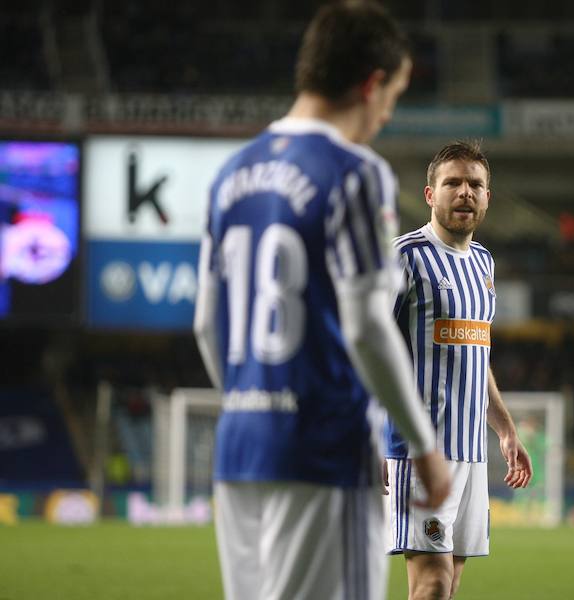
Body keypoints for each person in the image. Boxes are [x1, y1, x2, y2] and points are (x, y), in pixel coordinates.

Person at [193, 3, 450, 599]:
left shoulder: (230, 173)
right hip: (323, 450)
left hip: (239, 450)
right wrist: (424, 444)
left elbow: (208, 324)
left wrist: (254, 405)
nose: (387, 115)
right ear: (372, 84)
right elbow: (366, 326)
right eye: (394, 96)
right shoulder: (355, 171)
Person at [384, 141, 533, 600]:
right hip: (418, 453)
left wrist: (505, 431)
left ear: (487, 197)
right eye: (453, 183)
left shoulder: (484, 265)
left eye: (475, 185)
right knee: (431, 584)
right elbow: (363, 348)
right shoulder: (403, 257)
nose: (465, 192)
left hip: (472, 454)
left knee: (447, 589)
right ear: (430, 194)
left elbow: (477, 354)